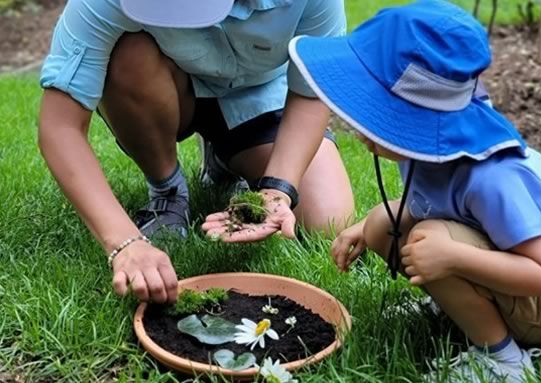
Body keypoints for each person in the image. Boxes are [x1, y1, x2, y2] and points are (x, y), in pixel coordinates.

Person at [289, 1, 541, 381]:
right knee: (381, 223)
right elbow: (436, 204)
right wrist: (366, 228)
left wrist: (454, 258)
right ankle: (461, 307)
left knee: (430, 239)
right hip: (509, 267)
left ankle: (503, 360)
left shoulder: (493, 177)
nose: (358, 124)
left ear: (415, 115)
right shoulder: (426, 147)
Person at [38, 0, 354, 304]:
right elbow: (60, 126)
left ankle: (223, 157)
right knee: (127, 52)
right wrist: (124, 241)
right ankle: (167, 190)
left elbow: (312, 92)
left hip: (258, 95)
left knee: (327, 220)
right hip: (162, 84)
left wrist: (278, 190)